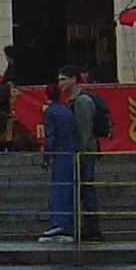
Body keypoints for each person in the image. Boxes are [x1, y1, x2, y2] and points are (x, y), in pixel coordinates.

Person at [60, 67, 105, 240]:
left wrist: (81, 154)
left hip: (84, 153)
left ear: (74, 79)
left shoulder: (82, 101)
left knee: (87, 188)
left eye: (63, 79)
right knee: (82, 189)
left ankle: (92, 227)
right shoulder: (73, 100)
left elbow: (84, 131)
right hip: (79, 152)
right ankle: (86, 225)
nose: (61, 83)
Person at [40, 82, 85, 242]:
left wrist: (46, 157)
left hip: (60, 154)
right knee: (67, 189)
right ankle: (67, 223)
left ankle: (59, 223)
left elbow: (50, 136)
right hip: (71, 153)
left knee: (58, 188)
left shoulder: (50, 112)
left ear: (46, 96)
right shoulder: (65, 111)